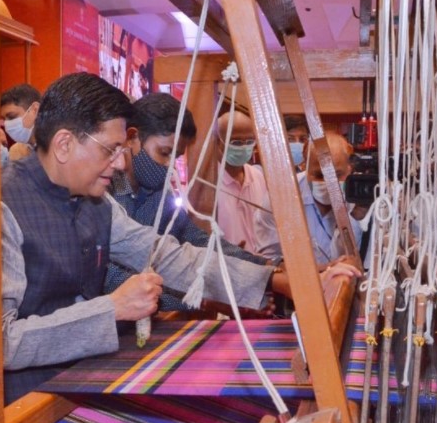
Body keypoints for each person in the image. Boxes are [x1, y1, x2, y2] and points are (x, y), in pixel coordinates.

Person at [0, 72, 362, 423]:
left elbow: (170, 255)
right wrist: (110, 310)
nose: (121, 163)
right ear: (63, 144)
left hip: (70, 377)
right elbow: (2, 342)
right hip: (17, 396)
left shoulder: (94, 203)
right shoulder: (2, 207)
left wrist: (286, 282)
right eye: (110, 149)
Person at [107, 92, 268, 312]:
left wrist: (263, 267)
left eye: (175, 157)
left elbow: (195, 239)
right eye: (164, 153)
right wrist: (201, 300)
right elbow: (111, 278)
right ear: (132, 138)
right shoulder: (105, 193)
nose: (169, 165)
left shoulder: (160, 194)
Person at [253, 131, 363, 267]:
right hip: (295, 281)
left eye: (337, 175)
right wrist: (324, 271)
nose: (329, 183)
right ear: (304, 167)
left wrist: (358, 215)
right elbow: (269, 261)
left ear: (349, 169)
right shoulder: (280, 198)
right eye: (319, 175)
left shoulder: (361, 198)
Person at [214, 110, 269, 254]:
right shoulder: (208, 183)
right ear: (218, 141)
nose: (244, 147)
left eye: (250, 141)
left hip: (263, 262)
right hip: (226, 263)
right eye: (236, 142)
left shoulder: (258, 176)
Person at [0, 83, 41, 161]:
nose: (7, 124)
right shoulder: (16, 151)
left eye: (11, 116)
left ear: (35, 110)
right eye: (4, 119)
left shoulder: (58, 144)